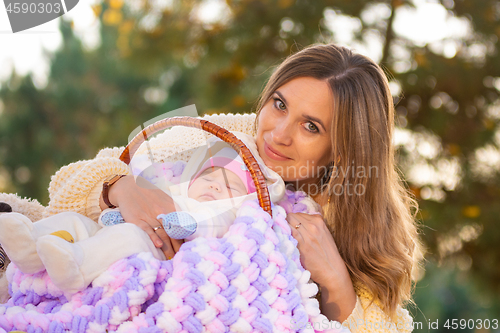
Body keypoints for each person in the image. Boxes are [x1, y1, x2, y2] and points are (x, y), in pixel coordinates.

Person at [43, 43, 421, 332]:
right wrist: (119, 188)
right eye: (278, 104)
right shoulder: (226, 140)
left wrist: (336, 283)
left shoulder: (350, 224)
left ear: (344, 149)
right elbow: (63, 188)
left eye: (311, 126)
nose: (278, 134)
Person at [0, 133, 287, 295]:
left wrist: (186, 225)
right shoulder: (175, 191)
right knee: (77, 222)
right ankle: (31, 243)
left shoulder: (224, 214)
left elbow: (213, 228)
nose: (215, 184)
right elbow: (133, 195)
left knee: (128, 236)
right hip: (115, 229)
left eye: (229, 185)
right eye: (209, 175)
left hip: (152, 248)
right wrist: (113, 212)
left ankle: (78, 265)